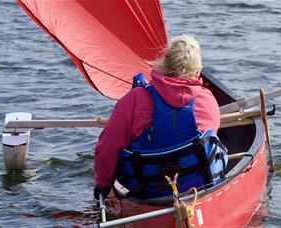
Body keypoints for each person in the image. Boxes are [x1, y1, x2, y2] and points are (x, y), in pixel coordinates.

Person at [94, 35, 226, 199]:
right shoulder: (207, 100)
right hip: (197, 186)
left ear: (163, 66)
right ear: (197, 71)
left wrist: (103, 186)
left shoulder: (133, 100)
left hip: (148, 190)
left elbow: (107, 148)